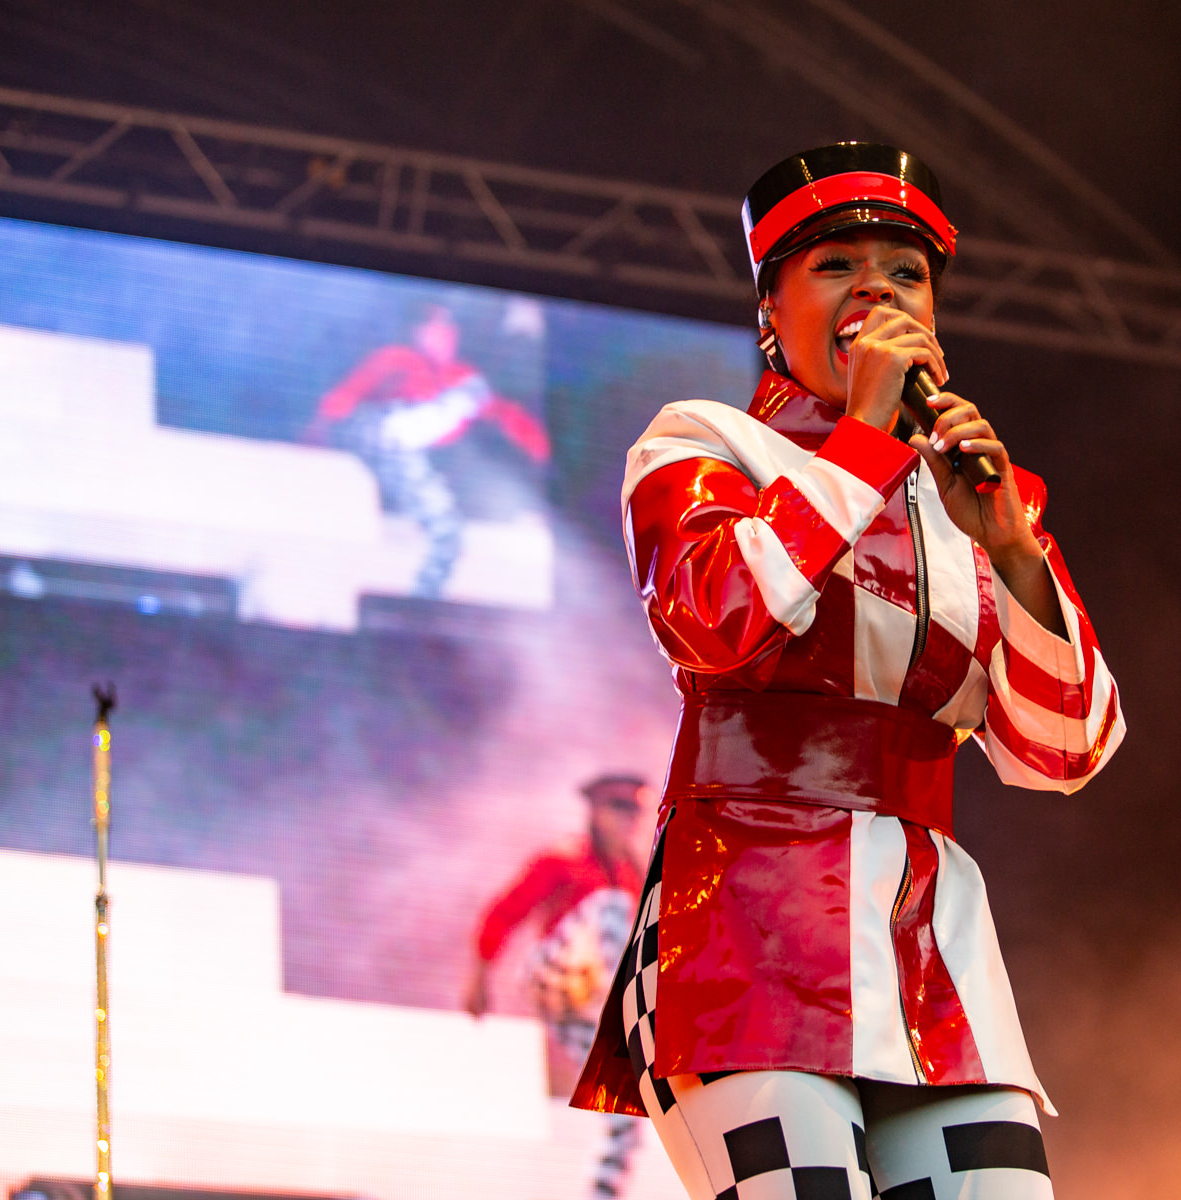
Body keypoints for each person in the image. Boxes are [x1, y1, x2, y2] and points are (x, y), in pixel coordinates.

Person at [572, 143, 1124, 1200]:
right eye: (836, 265)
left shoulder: (978, 500)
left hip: (929, 940)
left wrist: (1012, 546)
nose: (878, 288)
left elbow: (1065, 752)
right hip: (739, 926)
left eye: (906, 272)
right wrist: (867, 435)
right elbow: (715, 622)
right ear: (771, 313)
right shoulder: (704, 446)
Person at [467, 774, 648, 1199]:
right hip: (554, 976)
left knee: (628, 1107)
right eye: (617, 807)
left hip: (592, 1002)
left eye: (633, 809)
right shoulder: (563, 860)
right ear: (595, 811)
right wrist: (479, 976)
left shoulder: (631, 870)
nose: (627, 819)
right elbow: (505, 911)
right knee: (612, 907)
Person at [308, 303, 550, 598]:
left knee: (449, 529)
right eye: (436, 328)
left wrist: (538, 448)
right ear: (418, 333)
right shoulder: (396, 360)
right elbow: (348, 394)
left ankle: (425, 595)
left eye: (448, 329)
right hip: (384, 446)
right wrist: (320, 429)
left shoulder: (464, 379)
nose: (445, 336)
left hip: (428, 461)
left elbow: (501, 412)